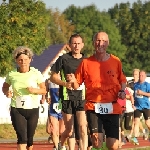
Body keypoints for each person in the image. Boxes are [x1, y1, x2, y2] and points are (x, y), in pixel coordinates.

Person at [67, 31, 127, 150]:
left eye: (104, 41)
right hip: (93, 106)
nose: (101, 43)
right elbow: (75, 85)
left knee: (113, 145)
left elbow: (122, 80)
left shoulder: (116, 61)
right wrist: (73, 80)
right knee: (96, 142)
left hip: (112, 106)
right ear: (94, 43)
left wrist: (123, 91)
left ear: (108, 43)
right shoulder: (86, 63)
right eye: (98, 41)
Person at [2, 46, 46, 150]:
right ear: (16, 61)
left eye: (26, 59)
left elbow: (44, 90)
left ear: (30, 59)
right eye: (20, 60)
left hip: (33, 109)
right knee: (22, 138)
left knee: (29, 140)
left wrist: (34, 90)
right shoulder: (12, 74)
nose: (23, 62)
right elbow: (5, 87)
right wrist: (7, 92)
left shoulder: (36, 73)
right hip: (17, 109)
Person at [50, 34, 87, 150]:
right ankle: (60, 145)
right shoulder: (63, 59)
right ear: (70, 45)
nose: (76, 46)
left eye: (78, 43)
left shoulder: (87, 60)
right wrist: (65, 83)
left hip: (82, 97)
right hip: (67, 97)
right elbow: (53, 77)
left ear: (82, 45)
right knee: (69, 130)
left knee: (82, 128)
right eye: (74, 43)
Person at [131, 70, 150, 145]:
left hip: (146, 106)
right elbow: (133, 95)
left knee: (148, 123)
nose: (141, 77)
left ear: (145, 76)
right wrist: (133, 104)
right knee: (136, 123)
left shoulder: (147, 85)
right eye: (140, 75)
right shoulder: (135, 85)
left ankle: (147, 131)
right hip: (137, 107)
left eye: (142, 75)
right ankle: (135, 139)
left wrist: (142, 93)